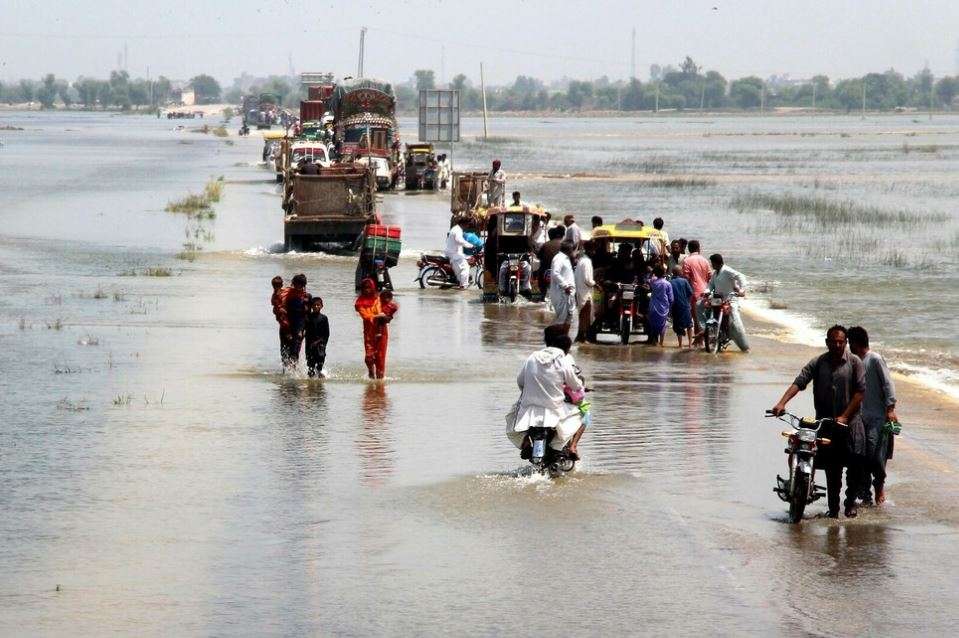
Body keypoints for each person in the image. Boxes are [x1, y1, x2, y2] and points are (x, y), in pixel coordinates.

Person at [771, 325, 866, 518]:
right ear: (827, 343)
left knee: (855, 464)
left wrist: (846, 415)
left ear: (845, 343)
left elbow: (860, 392)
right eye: (833, 341)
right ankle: (833, 508)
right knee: (833, 469)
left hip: (850, 422)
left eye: (841, 342)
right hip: (826, 423)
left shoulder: (855, 362)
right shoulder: (818, 362)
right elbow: (800, 381)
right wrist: (781, 403)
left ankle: (850, 504)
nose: (837, 345)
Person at [508, 325, 586, 459]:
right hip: (554, 411)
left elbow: (520, 381)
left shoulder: (532, 357)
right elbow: (575, 385)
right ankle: (559, 447)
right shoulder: (563, 360)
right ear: (566, 348)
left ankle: (526, 443)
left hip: (529, 412)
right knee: (584, 414)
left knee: (511, 418)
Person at [848, 326, 898, 505]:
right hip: (859, 417)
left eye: (848, 343)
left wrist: (890, 409)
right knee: (860, 455)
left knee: (876, 457)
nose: (848, 346)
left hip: (877, 417)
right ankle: (866, 493)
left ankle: (879, 485)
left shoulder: (875, 359)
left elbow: (888, 384)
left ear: (855, 343)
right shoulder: (853, 361)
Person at [706, 253, 749, 351]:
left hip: (730, 300)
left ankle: (744, 346)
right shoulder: (715, 273)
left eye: (712, 263)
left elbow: (741, 277)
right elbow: (710, 285)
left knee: (735, 321)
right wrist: (707, 291)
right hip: (718, 299)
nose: (711, 265)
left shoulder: (727, 270)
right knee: (704, 308)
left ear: (717, 263)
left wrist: (742, 289)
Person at [277, 273, 310, 370]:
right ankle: (285, 374)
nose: (298, 287)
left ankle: (294, 373)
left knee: (295, 352)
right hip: (285, 326)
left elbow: (307, 315)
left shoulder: (307, 297)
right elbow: (279, 310)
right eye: (296, 284)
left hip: (299, 328)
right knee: (284, 352)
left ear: (303, 285)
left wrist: (304, 330)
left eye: (300, 285)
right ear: (293, 284)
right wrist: (286, 330)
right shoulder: (286, 294)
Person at [682, 240, 712, 344]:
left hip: (694, 293)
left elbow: (686, 278)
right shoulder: (705, 260)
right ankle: (701, 340)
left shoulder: (687, 261)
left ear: (689, 249)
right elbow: (710, 277)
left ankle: (699, 341)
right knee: (704, 317)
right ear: (699, 248)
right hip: (705, 292)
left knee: (696, 318)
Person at [355, 278, 384, 379]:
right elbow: (365, 316)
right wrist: (377, 316)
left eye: (369, 288)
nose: (367, 290)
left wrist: (382, 316)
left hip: (380, 331)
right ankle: (371, 371)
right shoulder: (359, 302)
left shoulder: (377, 299)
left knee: (380, 357)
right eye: (365, 288)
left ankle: (380, 377)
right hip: (368, 332)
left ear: (373, 288)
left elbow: (382, 311)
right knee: (369, 357)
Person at [549, 240, 576, 332]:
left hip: (568, 294)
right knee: (561, 319)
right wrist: (565, 286)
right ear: (570, 250)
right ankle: (556, 340)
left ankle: (564, 340)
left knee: (569, 318)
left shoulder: (566, 259)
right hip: (562, 293)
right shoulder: (559, 258)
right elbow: (555, 273)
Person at [646, 263, 674, 346]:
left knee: (653, 324)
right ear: (664, 273)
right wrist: (671, 307)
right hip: (663, 308)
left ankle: (655, 341)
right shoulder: (667, 284)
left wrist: (652, 272)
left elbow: (648, 279)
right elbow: (671, 298)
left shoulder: (653, 282)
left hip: (653, 306)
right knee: (662, 325)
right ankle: (661, 343)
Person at [574, 241, 596, 342]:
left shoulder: (581, 261)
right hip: (585, 293)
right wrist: (596, 284)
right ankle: (582, 338)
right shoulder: (586, 262)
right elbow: (588, 280)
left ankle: (580, 337)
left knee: (582, 315)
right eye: (594, 250)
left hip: (580, 291)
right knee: (585, 316)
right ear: (591, 250)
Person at [373, 289, 398, 379]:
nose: (386, 300)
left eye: (388, 298)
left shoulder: (391, 307)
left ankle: (380, 376)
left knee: (380, 355)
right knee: (372, 355)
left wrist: (383, 316)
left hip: (382, 331)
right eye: (383, 298)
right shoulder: (375, 304)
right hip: (372, 330)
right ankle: (374, 375)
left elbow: (387, 319)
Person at [444, 218, 473, 290]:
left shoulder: (456, 228)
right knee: (465, 268)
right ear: (464, 224)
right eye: (467, 224)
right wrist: (470, 245)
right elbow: (459, 240)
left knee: (464, 261)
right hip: (454, 254)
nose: (467, 226)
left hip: (453, 252)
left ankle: (459, 281)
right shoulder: (458, 230)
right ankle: (463, 286)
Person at [304, 297, 330, 378]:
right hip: (309, 344)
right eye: (314, 305)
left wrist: (322, 343)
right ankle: (311, 385)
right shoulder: (308, 317)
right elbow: (304, 329)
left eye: (318, 305)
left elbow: (327, 333)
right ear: (311, 306)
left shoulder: (324, 318)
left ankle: (320, 377)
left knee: (320, 362)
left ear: (322, 306)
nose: (316, 307)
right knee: (310, 365)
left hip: (320, 344)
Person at [670, 266, 694, 348]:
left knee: (678, 325)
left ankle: (680, 344)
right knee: (689, 325)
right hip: (685, 305)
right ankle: (690, 344)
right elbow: (690, 293)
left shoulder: (670, 282)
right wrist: (688, 302)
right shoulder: (684, 281)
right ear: (680, 272)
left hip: (675, 306)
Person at [537, 226, 565, 292]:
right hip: (560, 269)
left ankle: (543, 291)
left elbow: (539, 256)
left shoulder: (545, 245)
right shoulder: (564, 244)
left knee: (540, 273)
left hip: (547, 269)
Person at [270, 276, 285, 360]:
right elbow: (277, 309)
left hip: (285, 323)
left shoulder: (283, 293)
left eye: (276, 286)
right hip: (283, 323)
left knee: (285, 348)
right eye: (275, 286)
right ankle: (288, 369)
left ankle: (288, 369)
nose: (275, 288)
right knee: (284, 349)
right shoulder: (276, 296)